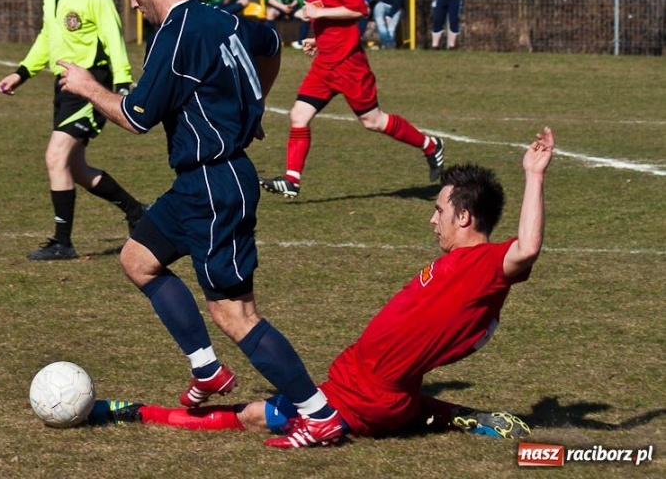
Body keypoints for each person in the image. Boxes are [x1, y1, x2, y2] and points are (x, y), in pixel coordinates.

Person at [89, 127, 555, 446]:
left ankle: (131, 412)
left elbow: (527, 249)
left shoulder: (483, 265)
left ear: (465, 217)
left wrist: (533, 176)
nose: (433, 219)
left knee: (252, 415)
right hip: (378, 389)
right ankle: (454, 414)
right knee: (403, 405)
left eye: (439, 209)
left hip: (361, 397)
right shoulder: (468, 267)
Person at [56, 0, 344, 449]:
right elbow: (272, 45)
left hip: (217, 185)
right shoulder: (221, 18)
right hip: (196, 184)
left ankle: (318, 412)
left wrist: (86, 87)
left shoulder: (176, 35)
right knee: (138, 259)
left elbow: (138, 117)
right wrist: (252, 107)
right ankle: (206, 369)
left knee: (236, 315)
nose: (133, 4)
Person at [260, 0, 445, 200]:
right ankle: (292, 179)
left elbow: (360, 9)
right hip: (325, 64)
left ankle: (430, 144)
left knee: (373, 121)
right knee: (299, 115)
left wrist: (315, 13)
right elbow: (329, 18)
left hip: (349, 64)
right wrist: (317, 40)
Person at [0, 0, 146, 261]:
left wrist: (122, 82)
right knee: (75, 168)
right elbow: (47, 39)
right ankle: (138, 211)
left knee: (55, 156)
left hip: (92, 84)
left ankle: (63, 242)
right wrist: (22, 73)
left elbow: (112, 34)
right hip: (64, 87)